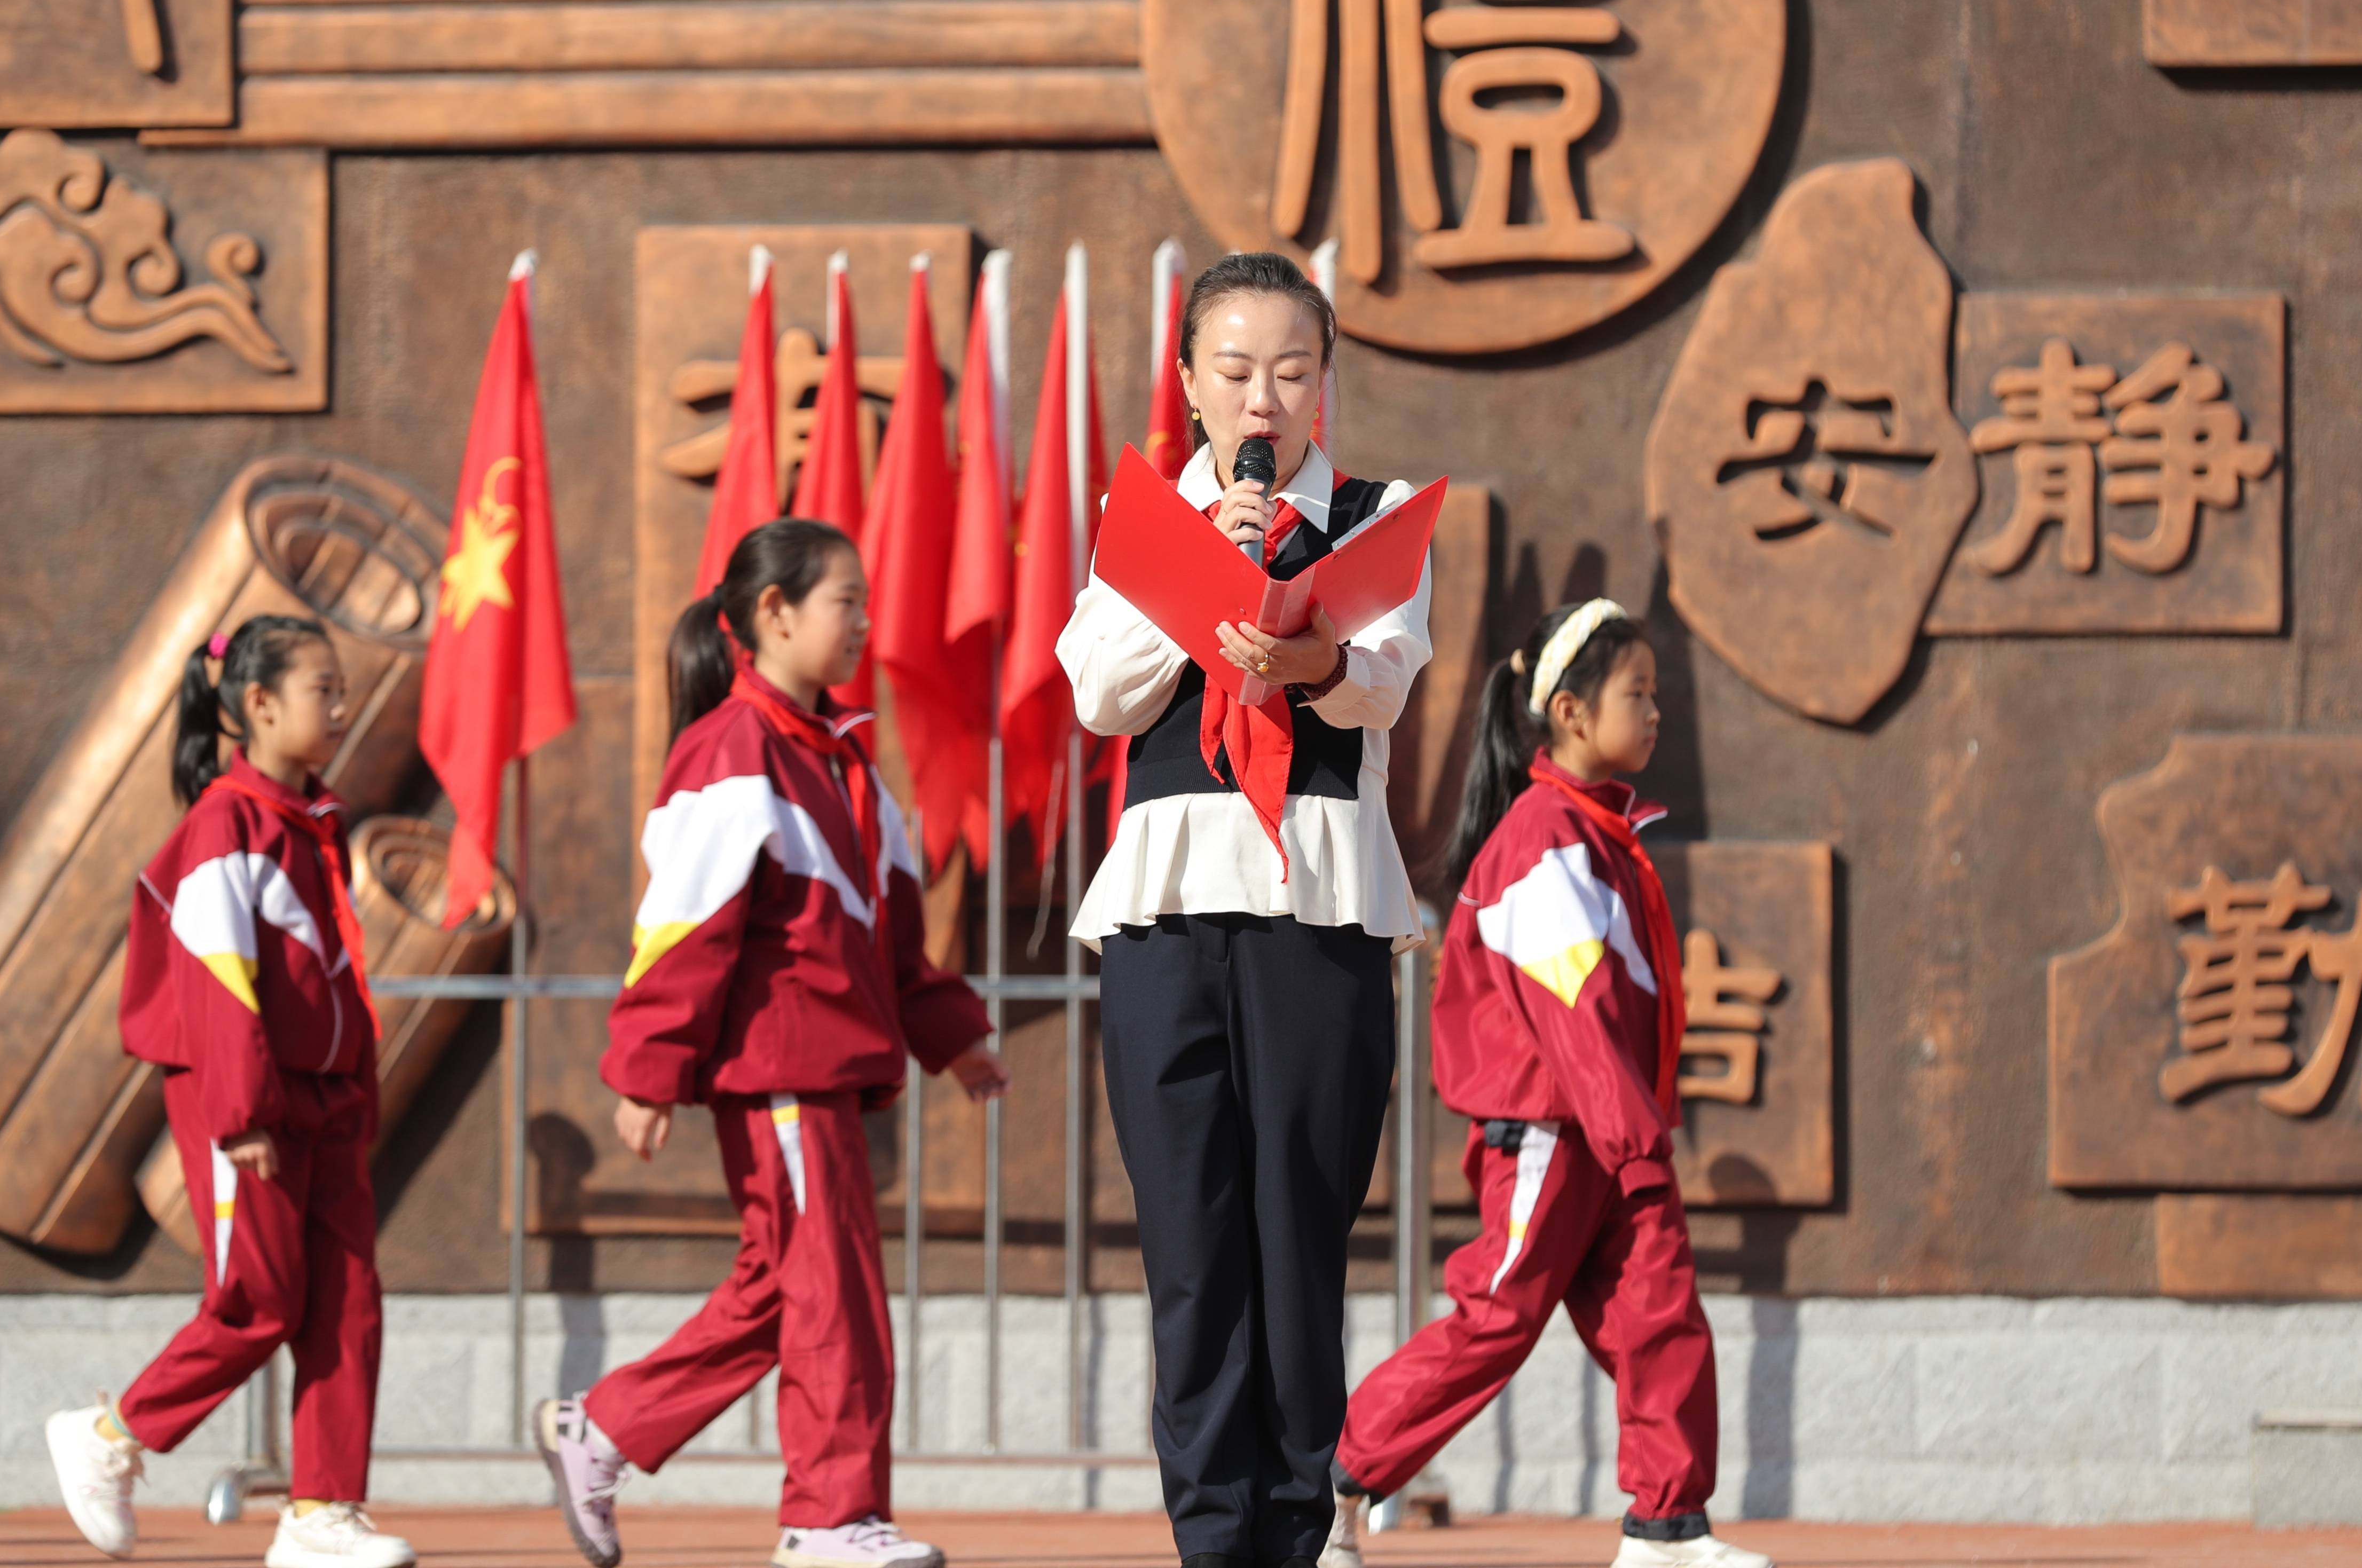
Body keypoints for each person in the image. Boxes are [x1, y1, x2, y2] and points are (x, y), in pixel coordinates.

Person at [534, 519, 1007, 1568]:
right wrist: (650, 1072)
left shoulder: (843, 763)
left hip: (828, 1074)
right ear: (774, 614)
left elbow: (895, 938)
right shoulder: (732, 753)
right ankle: (828, 1520)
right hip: (783, 1072)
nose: (864, 624)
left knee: (785, 1284)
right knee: (831, 1298)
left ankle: (601, 1432)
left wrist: (955, 1038)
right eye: (846, 601)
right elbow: (683, 928)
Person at [1057, 250, 1432, 1568]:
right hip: (1168, 914)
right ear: (1190, 384)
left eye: (1289, 370)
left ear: (1324, 381)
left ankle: (1296, 1522)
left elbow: (1382, 685)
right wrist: (1192, 578)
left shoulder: (1377, 517)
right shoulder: (1147, 517)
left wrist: (1312, 655)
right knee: (1193, 1244)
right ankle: (1214, 1538)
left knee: (1296, 1233)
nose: (1262, 399)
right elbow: (1100, 691)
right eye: (1234, 371)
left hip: (1318, 910)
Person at [1322, 600, 1769, 1568]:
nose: (1656, 713)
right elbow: (1579, 1019)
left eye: (1655, 694)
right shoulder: (1545, 840)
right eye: (1636, 694)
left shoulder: (1594, 832)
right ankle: (1334, 1482)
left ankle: (1666, 1530)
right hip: (1556, 1132)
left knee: (1659, 1310)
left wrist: (1633, 1140)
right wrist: (1638, 1146)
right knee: (1499, 1318)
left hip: (1604, 1132)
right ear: (1568, 713)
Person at [42, 614, 413, 1568]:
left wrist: (356, 1094)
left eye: (341, 690)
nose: (341, 707)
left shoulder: (311, 823)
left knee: (347, 1306)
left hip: (324, 1104)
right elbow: (217, 980)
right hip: (249, 1103)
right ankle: (109, 1438)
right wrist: (243, 1115)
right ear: (257, 704)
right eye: (323, 690)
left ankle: (322, 1515)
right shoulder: (226, 824)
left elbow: (334, 979)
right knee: (258, 1299)